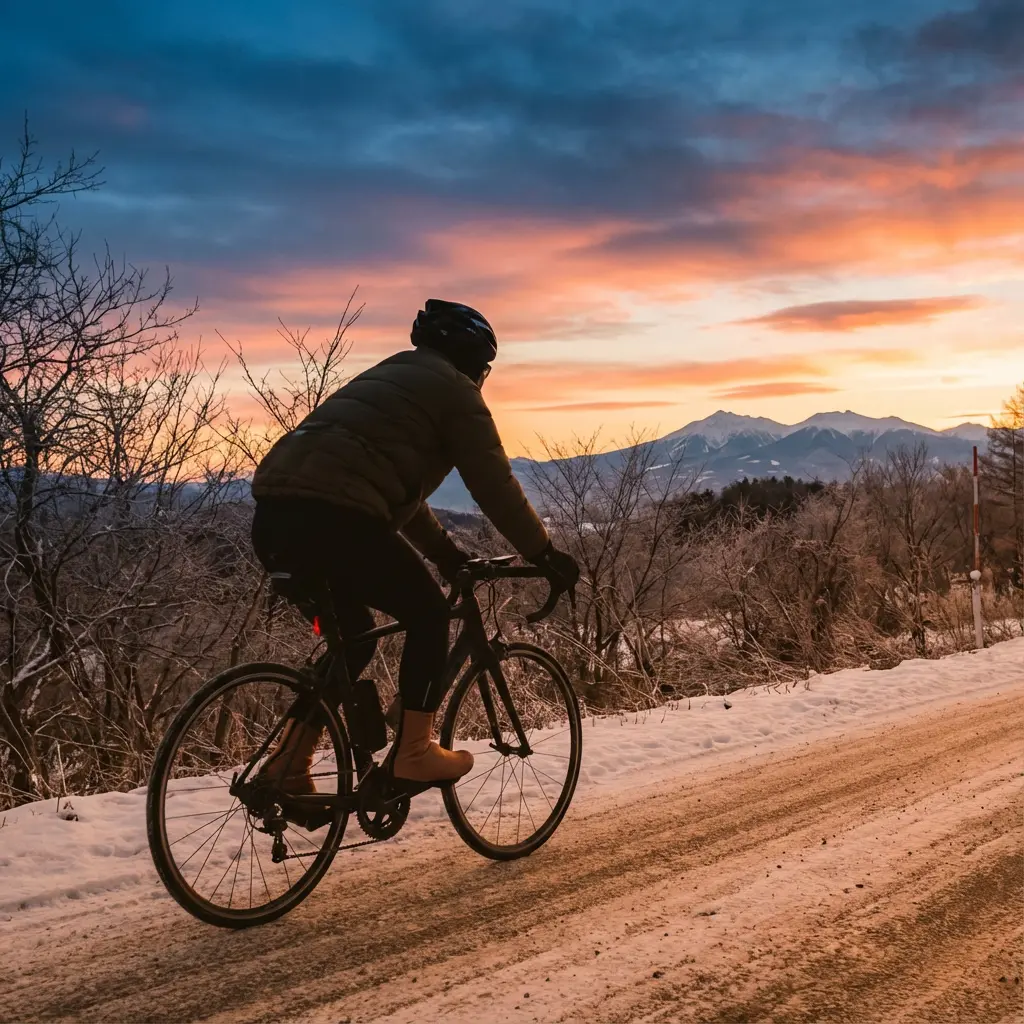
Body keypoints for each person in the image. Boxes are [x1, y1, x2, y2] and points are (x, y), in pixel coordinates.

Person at [249, 299, 579, 794]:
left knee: (355, 635)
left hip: (274, 520)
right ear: (474, 359)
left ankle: (287, 766)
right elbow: (493, 483)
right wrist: (544, 553)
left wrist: (444, 551)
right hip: (339, 522)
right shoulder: (456, 392)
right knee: (429, 614)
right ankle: (414, 753)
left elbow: (396, 495)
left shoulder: (389, 377)